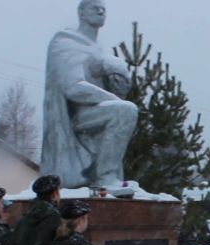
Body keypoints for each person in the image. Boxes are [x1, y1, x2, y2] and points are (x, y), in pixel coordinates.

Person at [41, 0, 138, 188]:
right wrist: (115, 100)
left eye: (104, 9)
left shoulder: (96, 49)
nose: (101, 12)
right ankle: (106, 178)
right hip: (76, 117)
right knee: (125, 111)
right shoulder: (67, 43)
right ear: (81, 13)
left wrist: (118, 74)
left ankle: (106, 176)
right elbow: (74, 88)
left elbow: (119, 91)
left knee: (125, 111)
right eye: (95, 8)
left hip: (94, 114)